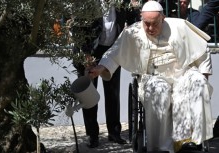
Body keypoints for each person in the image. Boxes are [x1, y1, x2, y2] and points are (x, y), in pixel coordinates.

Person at [88, 1, 213, 153]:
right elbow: (114, 53)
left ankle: (191, 142)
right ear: (141, 19)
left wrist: (204, 75)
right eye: (147, 24)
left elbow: (202, 50)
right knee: (158, 90)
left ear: (163, 18)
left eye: (155, 24)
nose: (151, 28)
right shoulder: (133, 32)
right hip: (154, 76)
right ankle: (161, 147)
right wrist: (100, 68)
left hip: (182, 75)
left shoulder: (179, 26)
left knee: (198, 82)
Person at [71, 0, 140, 148]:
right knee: (89, 94)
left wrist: (136, 8)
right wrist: (86, 54)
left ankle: (114, 132)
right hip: (90, 50)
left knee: (113, 93)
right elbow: (77, 28)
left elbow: (134, 19)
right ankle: (92, 135)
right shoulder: (88, 3)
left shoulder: (122, 3)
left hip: (112, 50)